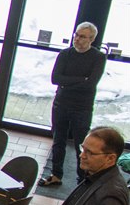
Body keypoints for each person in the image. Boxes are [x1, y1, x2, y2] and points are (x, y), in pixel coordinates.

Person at [38, 22, 107, 187]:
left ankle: (82, 179)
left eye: (82, 36)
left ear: (91, 39)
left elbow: (90, 84)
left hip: (82, 107)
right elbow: (55, 79)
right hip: (61, 103)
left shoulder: (98, 57)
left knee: (82, 145)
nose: (77, 39)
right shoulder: (65, 54)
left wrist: (68, 81)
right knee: (58, 141)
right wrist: (80, 79)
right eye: (76, 34)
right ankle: (56, 174)